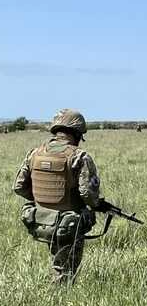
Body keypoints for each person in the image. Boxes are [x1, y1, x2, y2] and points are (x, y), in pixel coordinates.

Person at [13, 109, 100, 285]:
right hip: (68, 224)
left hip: (41, 221)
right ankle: (61, 300)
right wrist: (94, 205)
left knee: (58, 262)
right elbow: (87, 194)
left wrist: (42, 201)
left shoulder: (34, 153)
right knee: (66, 273)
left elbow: (19, 187)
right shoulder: (79, 156)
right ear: (76, 133)